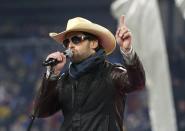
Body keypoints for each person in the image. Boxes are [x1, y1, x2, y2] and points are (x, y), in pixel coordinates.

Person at [34, 16, 145, 131]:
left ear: (93, 43)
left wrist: (127, 51)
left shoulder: (112, 73)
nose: (70, 45)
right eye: (66, 42)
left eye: (76, 40)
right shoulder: (64, 80)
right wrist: (52, 75)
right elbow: (40, 111)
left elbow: (137, 83)